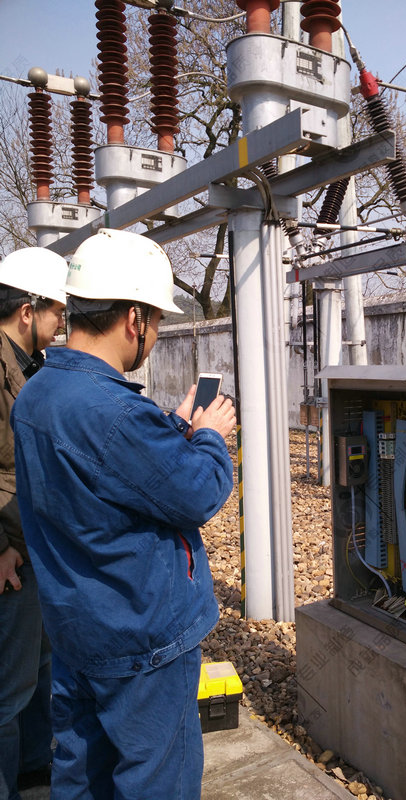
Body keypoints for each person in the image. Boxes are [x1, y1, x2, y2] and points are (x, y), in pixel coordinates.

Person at [11, 228, 236, 800]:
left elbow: (107, 476)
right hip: (142, 640)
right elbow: (200, 492)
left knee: (81, 777)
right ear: (135, 319)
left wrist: (170, 428)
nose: (154, 335)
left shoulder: (36, 393)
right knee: (156, 781)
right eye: (156, 321)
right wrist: (209, 436)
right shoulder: (114, 413)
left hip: (75, 629)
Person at [0, 246, 69, 800]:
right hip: (10, 551)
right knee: (9, 686)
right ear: (28, 310)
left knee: (40, 665)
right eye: (56, 312)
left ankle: (33, 770)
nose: (62, 323)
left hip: (33, 543)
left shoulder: (31, 365)